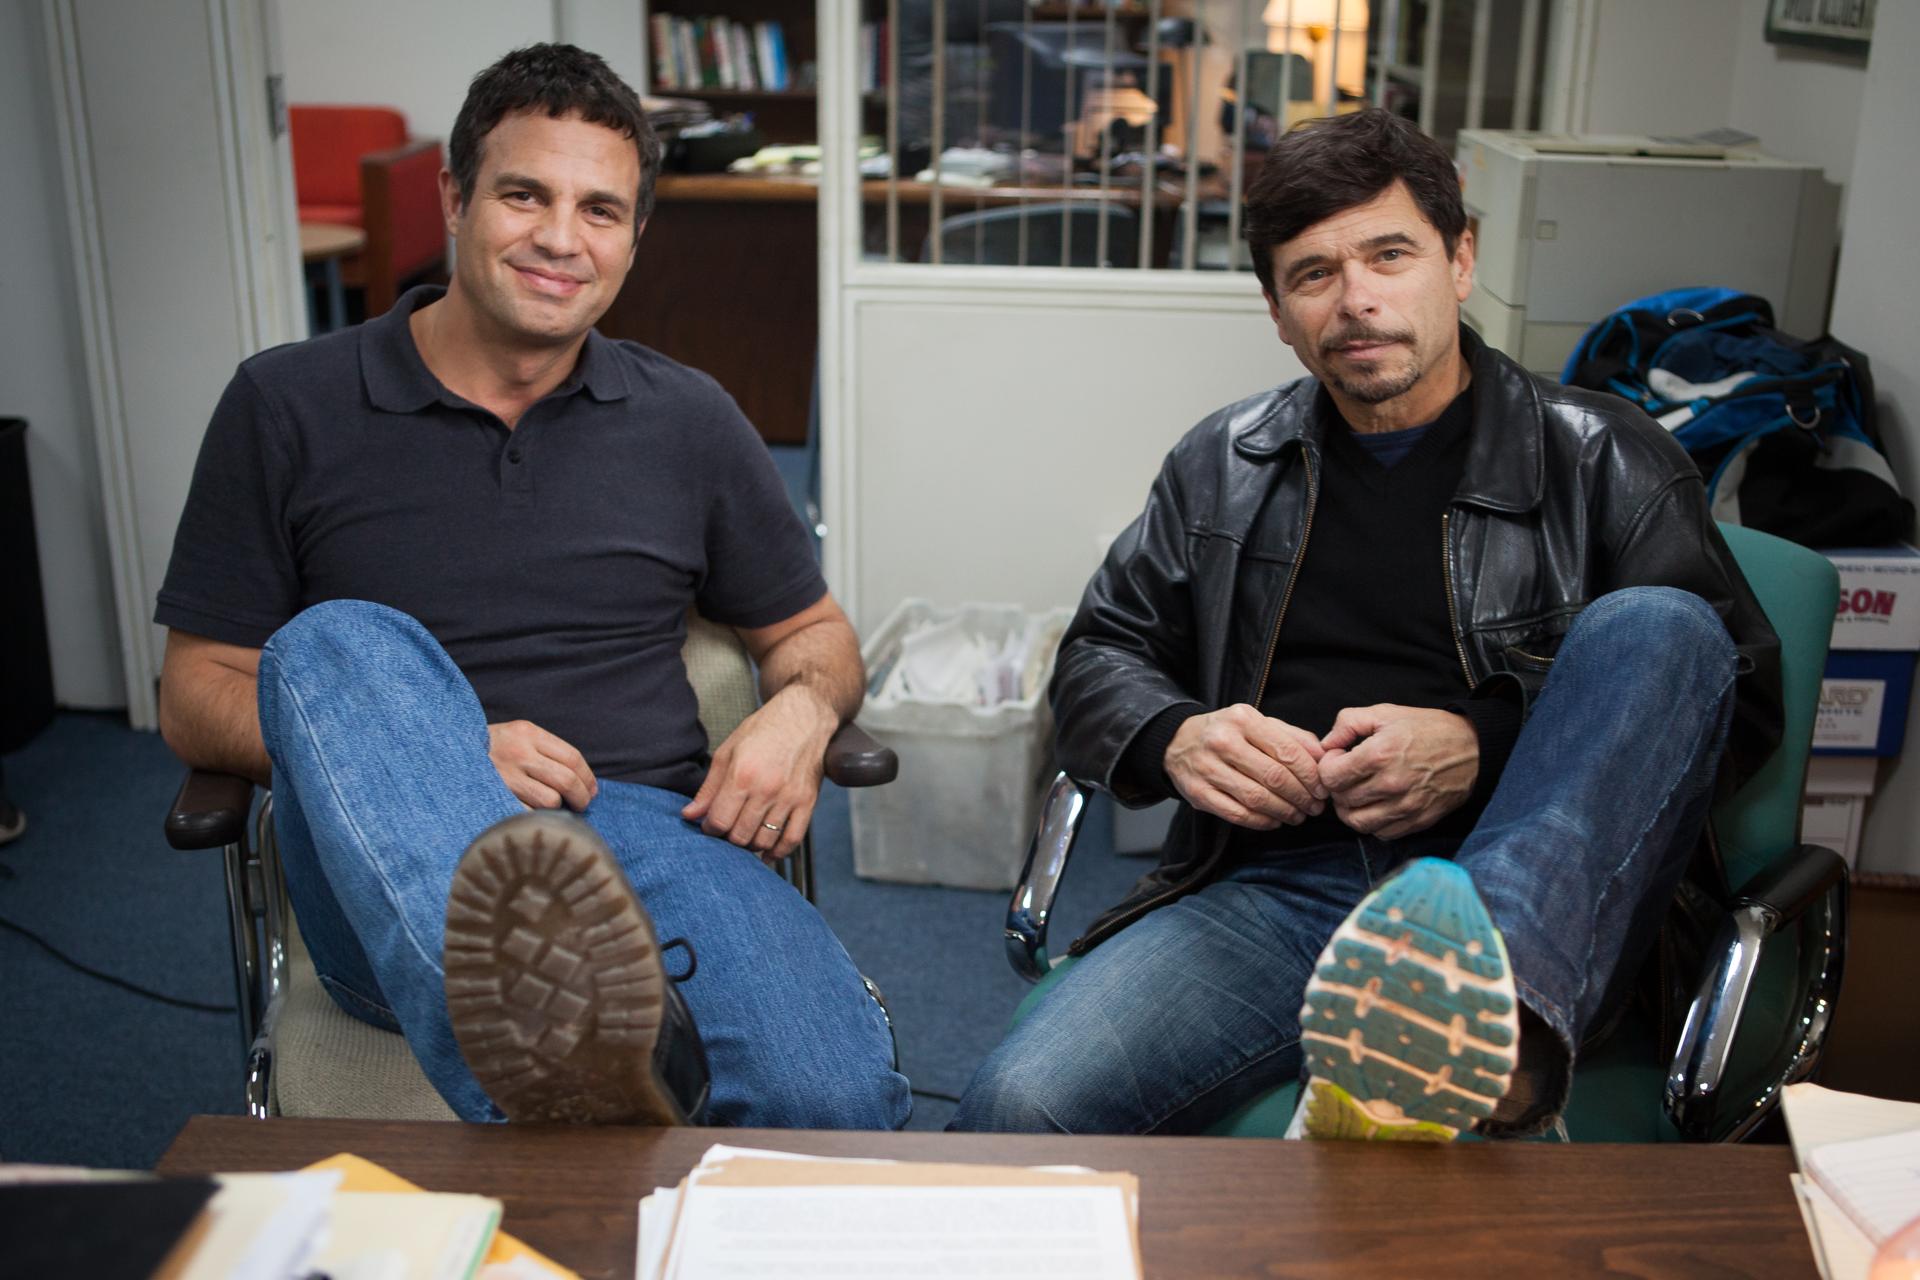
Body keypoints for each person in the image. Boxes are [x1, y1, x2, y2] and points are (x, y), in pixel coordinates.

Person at [950, 108, 1782, 1140]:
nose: (1357, 300)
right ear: (1278, 310)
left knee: (1665, 625)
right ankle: (1427, 1073)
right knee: (1015, 1109)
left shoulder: (1605, 457)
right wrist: (1176, 733)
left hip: (1528, 883)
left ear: (1460, 259)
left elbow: (1726, 694)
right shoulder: (1223, 461)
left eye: (1391, 255)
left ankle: (1468, 1022)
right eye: (1313, 274)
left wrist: (1485, 746)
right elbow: (1099, 652)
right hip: (1273, 887)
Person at [154, 44, 909, 1129]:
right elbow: (195, 692)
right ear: (454, 199)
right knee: (336, 644)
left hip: (656, 825)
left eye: (601, 210)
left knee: (832, 1093)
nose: (562, 238)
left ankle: (581, 1080)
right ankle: (542, 1074)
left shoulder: (689, 418)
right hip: (397, 853)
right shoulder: (288, 404)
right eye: (525, 194)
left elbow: (815, 633)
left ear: (636, 237)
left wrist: (803, 707)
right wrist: (440, 750)